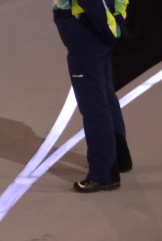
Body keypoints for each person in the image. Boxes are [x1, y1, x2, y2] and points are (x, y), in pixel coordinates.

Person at [53, 0, 132, 192]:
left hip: (85, 31)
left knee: (93, 107)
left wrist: (109, 31)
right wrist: (117, 20)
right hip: (97, 30)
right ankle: (120, 157)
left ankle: (103, 173)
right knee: (105, 94)